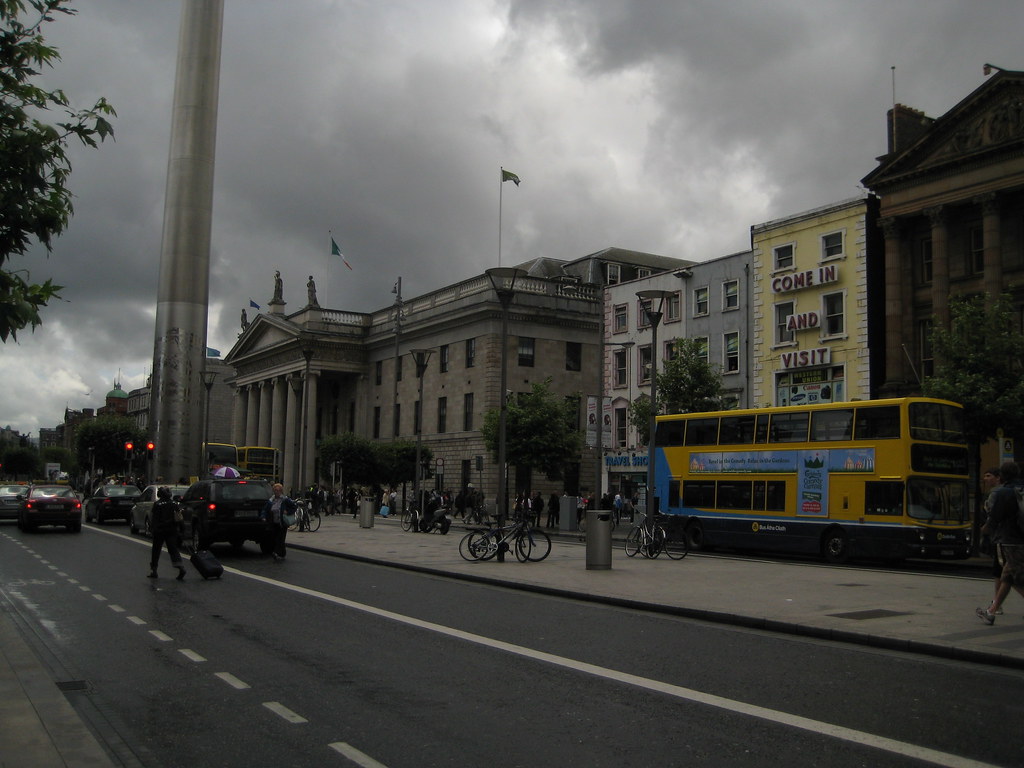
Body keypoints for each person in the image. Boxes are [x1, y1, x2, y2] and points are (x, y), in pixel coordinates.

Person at [976, 461, 1024, 624]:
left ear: (1002, 476)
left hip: (1011, 540)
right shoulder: (1022, 489)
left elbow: (994, 518)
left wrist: (985, 530)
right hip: (1020, 539)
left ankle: (991, 611)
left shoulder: (1004, 493)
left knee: (1016, 578)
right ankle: (991, 612)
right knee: (1007, 576)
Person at [148, 486, 186, 581]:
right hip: (172, 530)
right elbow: (179, 518)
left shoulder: (157, 504)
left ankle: (154, 570)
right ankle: (181, 567)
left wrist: (152, 529)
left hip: (159, 530)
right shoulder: (174, 503)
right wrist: (182, 530)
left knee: (156, 550)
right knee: (173, 549)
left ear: (160, 494)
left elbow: (154, 519)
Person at [261, 483, 297, 561]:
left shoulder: (285, 500)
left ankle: (276, 552)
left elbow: (294, 506)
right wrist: (263, 517)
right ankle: (282, 553)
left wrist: (287, 511)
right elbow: (265, 509)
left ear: (281, 491)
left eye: (278, 490)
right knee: (275, 538)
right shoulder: (271, 500)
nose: (277, 492)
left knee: (280, 539)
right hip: (273, 522)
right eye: (275, 490)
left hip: (282, 523)